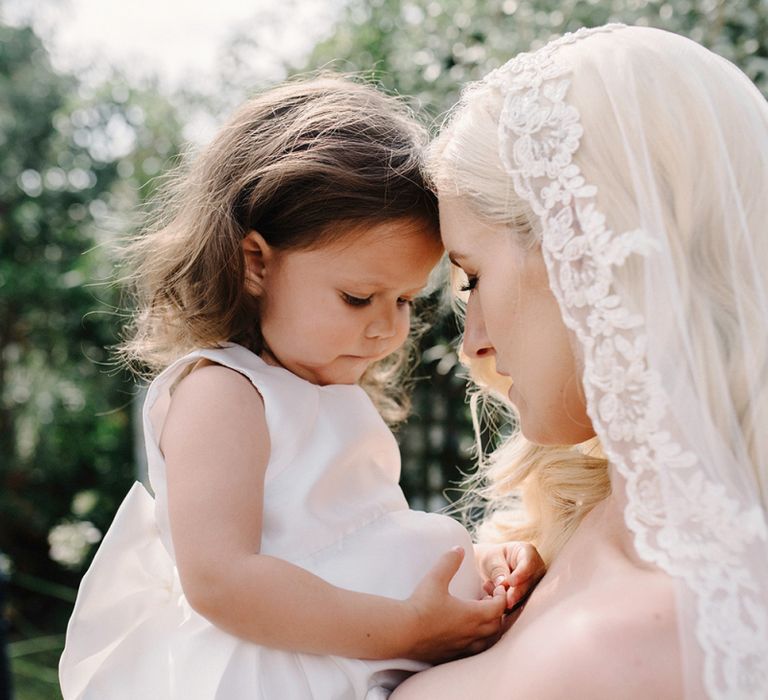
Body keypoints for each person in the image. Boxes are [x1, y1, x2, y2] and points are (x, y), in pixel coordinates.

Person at [58, 76, 546, 700]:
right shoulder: (225, 393)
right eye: (358, 297)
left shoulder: (324, 395)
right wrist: (408, 629)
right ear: (256, 262)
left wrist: (479, 570)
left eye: (404, 299)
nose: (387, 327)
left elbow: (358, 536)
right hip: (278, 672)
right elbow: (221, 581)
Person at [393, 24, 768, 700]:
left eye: (473, 276)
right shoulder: (577, 531)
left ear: (579, 253)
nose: (471, 340)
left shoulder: (618, 648)